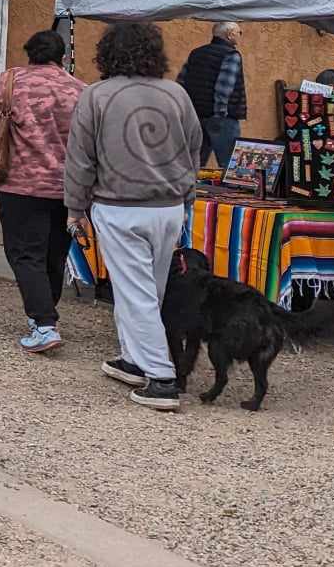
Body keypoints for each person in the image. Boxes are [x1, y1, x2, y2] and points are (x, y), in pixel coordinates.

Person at [65, 21, 204, 412]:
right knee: (149, 289)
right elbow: (194, 148)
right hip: (169, 207)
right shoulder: (176, 93)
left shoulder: (96, 96)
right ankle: (133, 359)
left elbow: (80, 159)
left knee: (136, 292)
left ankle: (161, 377)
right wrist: (187, 196)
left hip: (119, 206)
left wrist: (75, 208)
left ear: (107, 53)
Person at [0, 29, 85, 355]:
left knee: (25, 254)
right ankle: (45, 314)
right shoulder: (79, 90)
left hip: (21, 184)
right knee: (55, 254)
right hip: (68, 186)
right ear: (63, 56)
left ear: (29, 52)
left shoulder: (11, 82)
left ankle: (44, 323)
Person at [176, 20, 248, 170]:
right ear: (230, 35)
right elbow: (224, 87)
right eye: (239, 32)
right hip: (222, 118)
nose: (241, 35)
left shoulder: (196, 53)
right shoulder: (231, 54)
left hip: (196, 116)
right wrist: (220, 113)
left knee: (194, 164)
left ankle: (190, 193)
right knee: (231, 167)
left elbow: (181, 82)